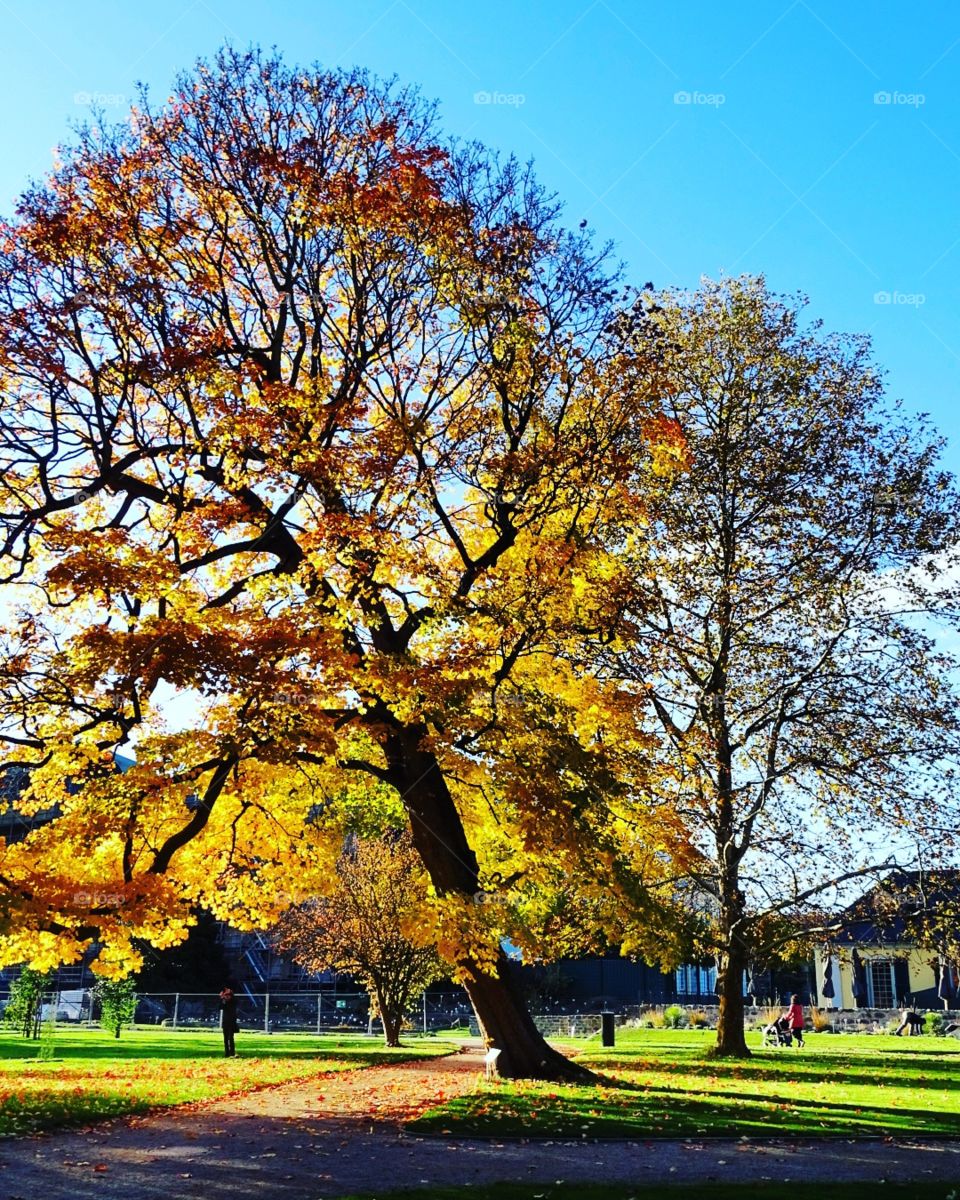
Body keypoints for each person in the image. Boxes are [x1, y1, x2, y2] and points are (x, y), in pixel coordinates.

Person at [219, 984, 239, 1057]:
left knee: (231, 1038)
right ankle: (227, 1053)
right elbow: (220, 1007)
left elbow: (233, 1002)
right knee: (225, 1038)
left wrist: (229, 994)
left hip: (232, 1022)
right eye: (226, 995)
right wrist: (222, 999)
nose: (227, 997)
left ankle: (232, 1052)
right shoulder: (224, 1002)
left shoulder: (233, 1002)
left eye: (228, 995)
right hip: (225, 1022)